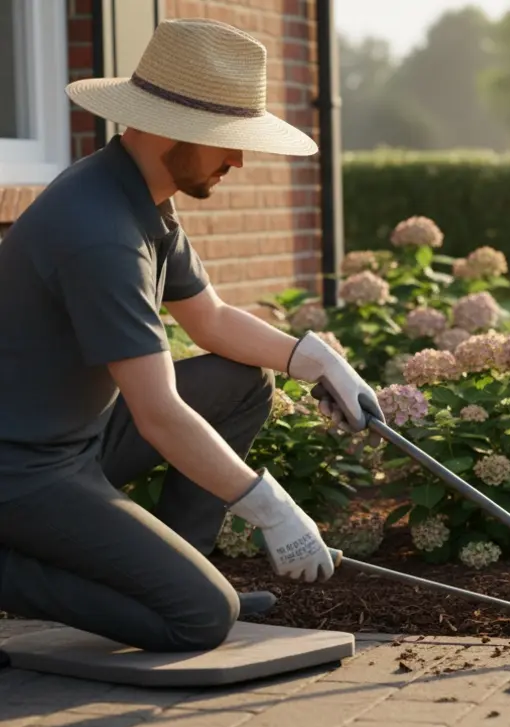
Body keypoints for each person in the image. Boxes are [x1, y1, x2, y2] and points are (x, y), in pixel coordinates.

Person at [0, 18, 383, 655]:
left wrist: (313, 359)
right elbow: (160, 416)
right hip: (21, 471)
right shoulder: (102, 234)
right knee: (198, 620)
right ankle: (29, 579)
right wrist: (272, 509)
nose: (237, 159)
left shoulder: (142, 197)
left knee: (240, 382)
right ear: (163, 127)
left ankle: (186, 571)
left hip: (75, 440)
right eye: (224, 141)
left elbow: (210, 320)